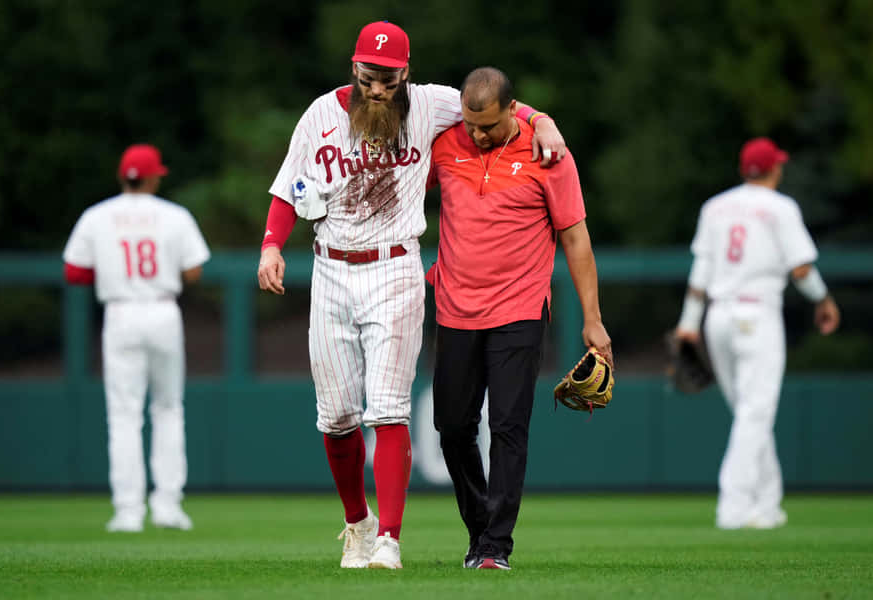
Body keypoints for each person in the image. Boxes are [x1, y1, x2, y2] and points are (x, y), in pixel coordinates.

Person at [256, 21, 567, 570]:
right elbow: (288, 187)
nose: (378, 89)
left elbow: (498, 104)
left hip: (395, 266)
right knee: (335, 416)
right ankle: (358, 525)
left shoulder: (429, 105)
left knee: (390, 408)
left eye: (389, 78)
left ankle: (390, 540)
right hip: (330, 268)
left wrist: (543, 123)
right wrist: (270, 246)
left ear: (406, 73)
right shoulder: (319, 115)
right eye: (370, 76)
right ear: (355, 68)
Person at [426, 67, 613, 570]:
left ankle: (494, 548)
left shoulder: (547, 153)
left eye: (488, 125)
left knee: (508, 427)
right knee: (452, 426)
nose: (478, 134)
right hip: (454, 308)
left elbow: (575, 238)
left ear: (513, 110)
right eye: (471, 125)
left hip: (519, 310)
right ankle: (479, 528)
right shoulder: (445, 145)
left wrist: (592, 320)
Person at [674, 137, 840, 530]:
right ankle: (733, 508)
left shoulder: (715, 207)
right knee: (755, 413)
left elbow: (701, 271)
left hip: (717, 318)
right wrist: (824, 299)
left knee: (749, 415)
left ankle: (767, 505)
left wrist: (688, 322)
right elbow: (801, 269)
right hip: (757, 315)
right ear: (774, 169)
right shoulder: (781, 208)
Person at [63, 144, 211, 532]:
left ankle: (128, 511)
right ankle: (167, 506)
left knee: (123, 415)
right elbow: (194, 271)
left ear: (121, 176)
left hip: (121, 312)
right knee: (167, 408)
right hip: (162, 309)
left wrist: (115, 275)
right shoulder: (173, 215)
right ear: (152, 177)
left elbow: (74, 272)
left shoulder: (97, 216)